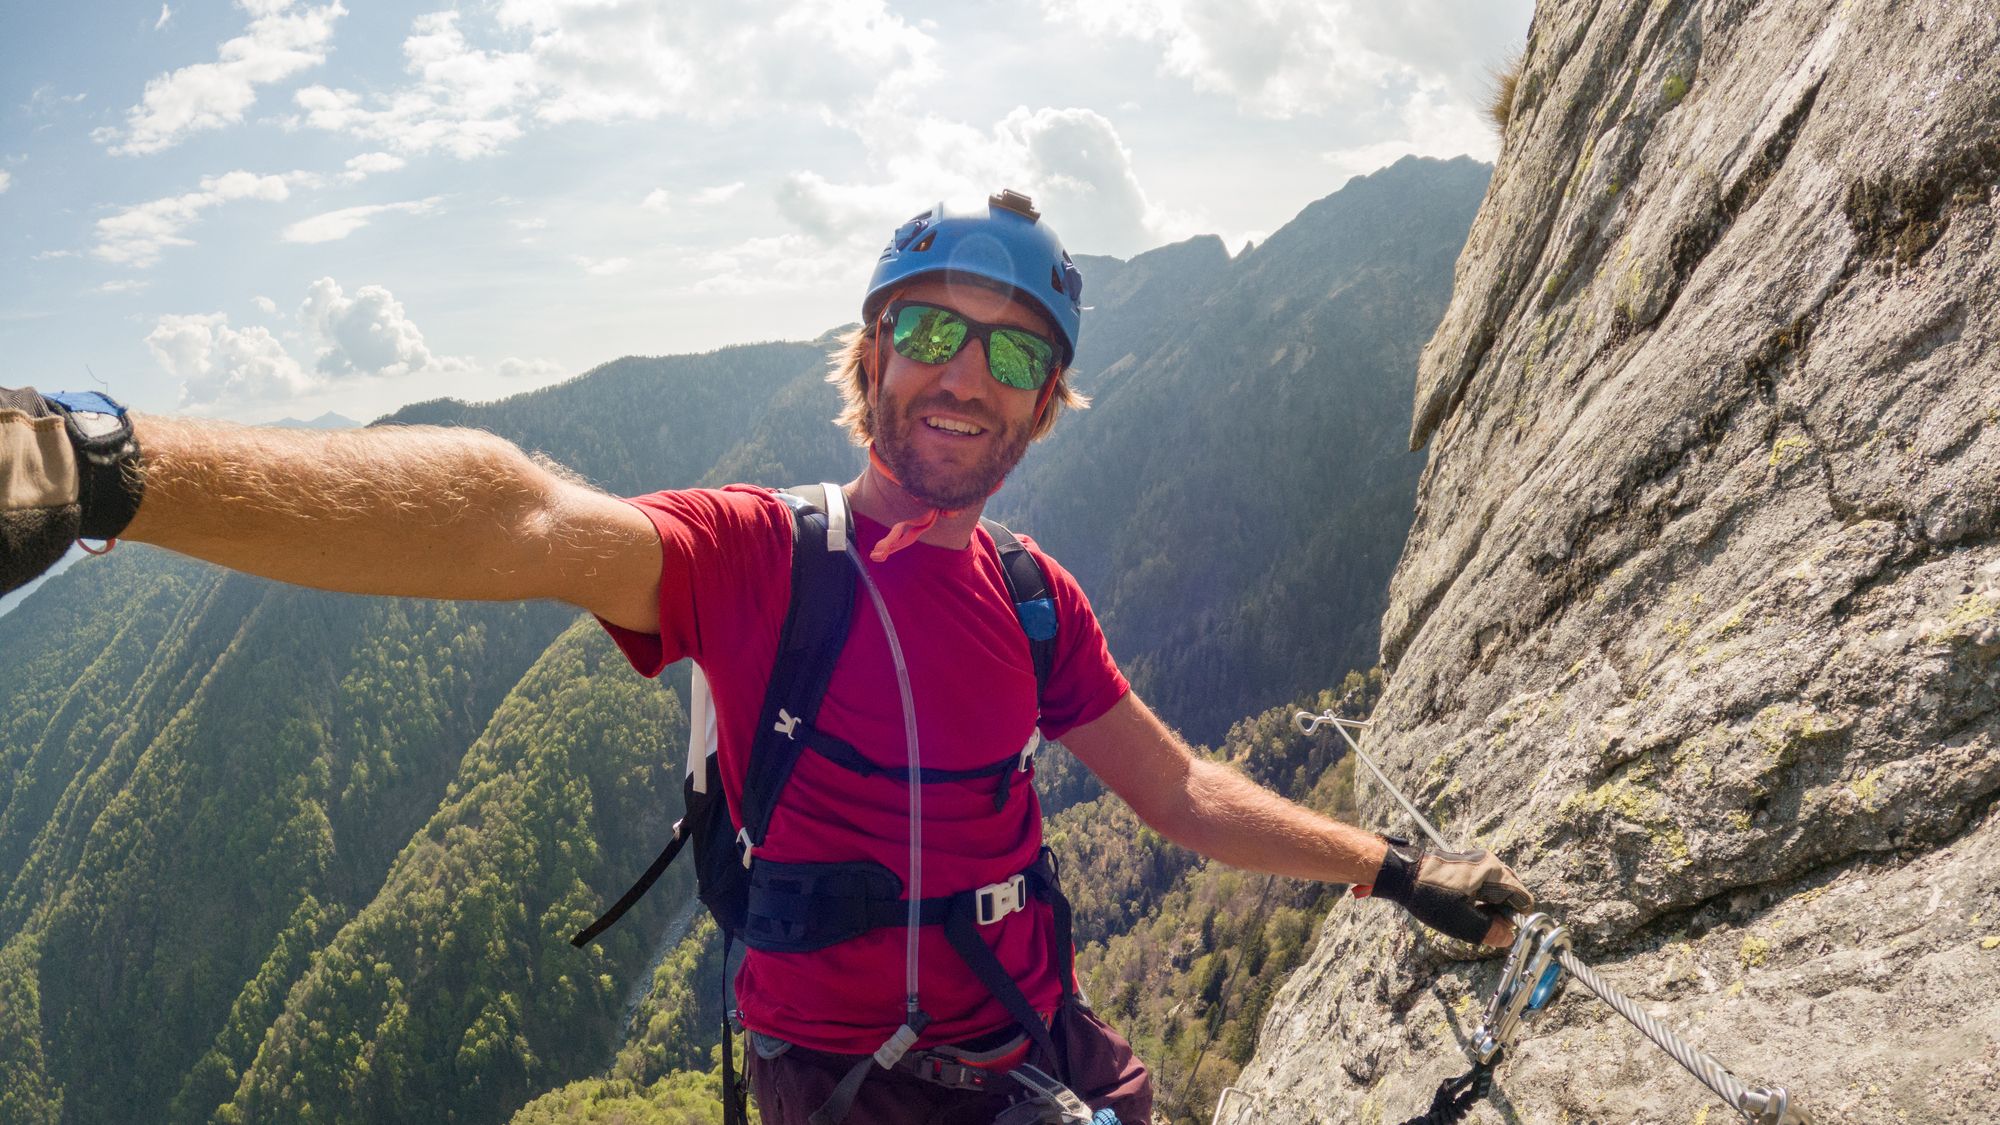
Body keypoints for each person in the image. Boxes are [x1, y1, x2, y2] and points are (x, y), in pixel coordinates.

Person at [0, 190, 1532, 1124]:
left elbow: (1180, 790)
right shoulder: (761, 556)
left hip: (1041, 1052)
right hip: (855, 1092)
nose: (966, 374)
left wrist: (1397, 871)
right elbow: (514, 515)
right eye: (930, 332)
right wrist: (106, 468)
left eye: (1014, 354)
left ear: (1044, 406)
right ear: (868, 357)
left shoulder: (1034, 597)